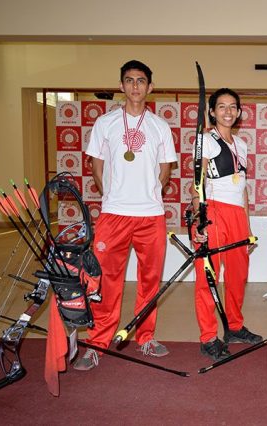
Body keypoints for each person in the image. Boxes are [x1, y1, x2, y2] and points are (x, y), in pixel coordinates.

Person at [74, 60, 178, 370]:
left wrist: (150, 193)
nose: (135, 86)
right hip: (113, 214)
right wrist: (110, 193)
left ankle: (146, 337)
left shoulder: (160, 127)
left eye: (141, 80)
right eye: (129, 80)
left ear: (150, 87)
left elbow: (166, 168)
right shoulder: (105, 123)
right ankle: (97, 342)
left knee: (150, 280)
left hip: (150, 216)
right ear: (122, 86)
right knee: (106, 281)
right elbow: (97, 164)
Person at [191, 88, 263, 362]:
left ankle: (233, 327)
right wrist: (201, 220)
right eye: (221, 106)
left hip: (236, 216)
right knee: (208, 277)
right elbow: (197, 184)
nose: (228, 111)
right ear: (211, 111)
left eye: (233, 106)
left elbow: (242, 188)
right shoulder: (205, 140)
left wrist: (247, 224)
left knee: (236, 276)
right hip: (214, 212)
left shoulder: (241, 144)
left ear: (239, 111)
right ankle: (208, 336)